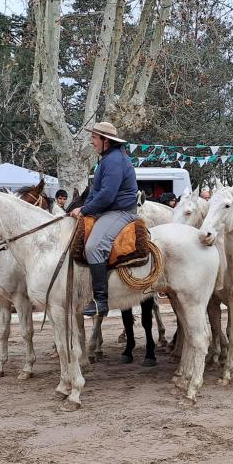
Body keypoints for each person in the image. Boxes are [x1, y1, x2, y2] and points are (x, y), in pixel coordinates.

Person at [69, 121, 138, 317]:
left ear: (105, 140)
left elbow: (107, 195)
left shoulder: (114, 160)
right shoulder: (107, 159)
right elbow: (96, 191)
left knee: (93, 247)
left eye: (93, 138)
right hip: (109, 211)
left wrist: (85, 210)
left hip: (121, 212)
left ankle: (101, 301)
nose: (92, 142)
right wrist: (84, 207)